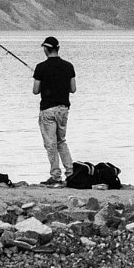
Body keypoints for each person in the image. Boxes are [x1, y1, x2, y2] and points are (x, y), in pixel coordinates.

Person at [32, 36, 76, 185]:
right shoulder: (68, 66)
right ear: (58, 48)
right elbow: (73, 89)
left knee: (51, 144)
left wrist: (44, 81)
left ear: (46, 49)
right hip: (63, 109)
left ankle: (56, 176)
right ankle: (70, 174)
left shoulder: (40, 67)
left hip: (48, 110)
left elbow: (35, 91)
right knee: (61, 141)